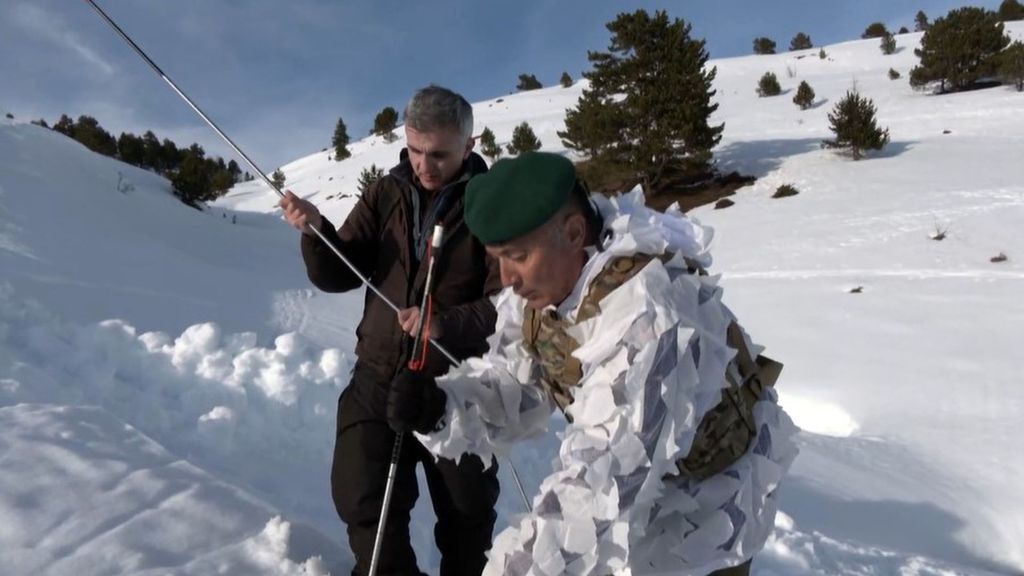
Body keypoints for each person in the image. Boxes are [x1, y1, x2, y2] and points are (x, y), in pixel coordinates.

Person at [388, 152, 799, 575]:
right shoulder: (543, 290)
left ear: (572, 232)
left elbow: (605, 480)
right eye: (497, 259)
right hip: (641, 493)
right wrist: (442, 406)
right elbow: (519, 383)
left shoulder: (650, 315)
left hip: (707, 514)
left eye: (517, 256)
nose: (506, 278)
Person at [279, 85, 502, 576]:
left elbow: (506, 306)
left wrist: (443, 322)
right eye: (415, 150)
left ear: (469, 145)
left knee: (467, 519)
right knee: (362, 498)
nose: (424, 165)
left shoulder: (491, 205)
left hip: (455, 387)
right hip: (378, 372)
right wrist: (317, 233)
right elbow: (340, 272)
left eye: (439, 154)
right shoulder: (386, 191)